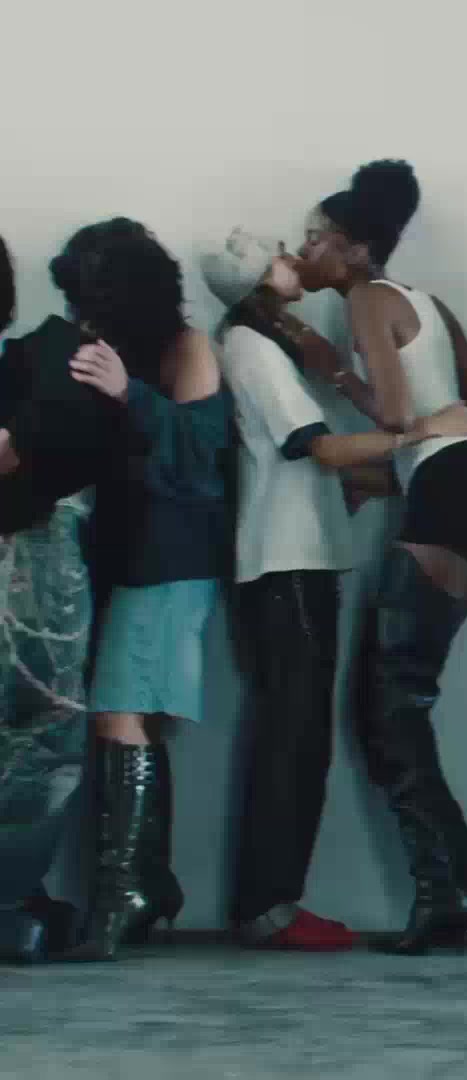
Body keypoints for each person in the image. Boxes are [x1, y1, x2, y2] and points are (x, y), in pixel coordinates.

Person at [201, 227, 467, 950]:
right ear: (257, 279)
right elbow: (319, 449)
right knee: (293, 737)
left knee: (299, 732)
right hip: (284, 563)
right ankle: (269, 908)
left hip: (300, 559)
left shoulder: (268, 343)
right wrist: (424, 433)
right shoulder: (252, 347)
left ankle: (272, 904)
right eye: (279, 255)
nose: (294, 258)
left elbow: (316, 465)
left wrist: (385, 474)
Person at [299, 160, 467, 955]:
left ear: (355, 248)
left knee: (387, 702)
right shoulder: (429, 304)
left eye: (316, 237)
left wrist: (341, 382)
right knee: (398, 699)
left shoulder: (364, 299)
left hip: (449, 496)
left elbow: (397, 415)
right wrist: (398, 448)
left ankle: (447, 886)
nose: (306, 250)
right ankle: (463, 880)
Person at [47, 220, 231, 962]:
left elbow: (199, 462)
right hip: (124, 556)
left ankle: (127, 889)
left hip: (170, 559)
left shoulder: (188, 348)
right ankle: (145, 882)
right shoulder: (109, 347)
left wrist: (129, 395)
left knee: (122, 713)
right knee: (127, 716)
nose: (83, 316)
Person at [0, 235, 131, 963]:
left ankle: (12, 901)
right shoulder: (51, 364)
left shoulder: (51, 361)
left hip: (40, 602)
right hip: (43, 600)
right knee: (41, 742)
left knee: (41, 741)